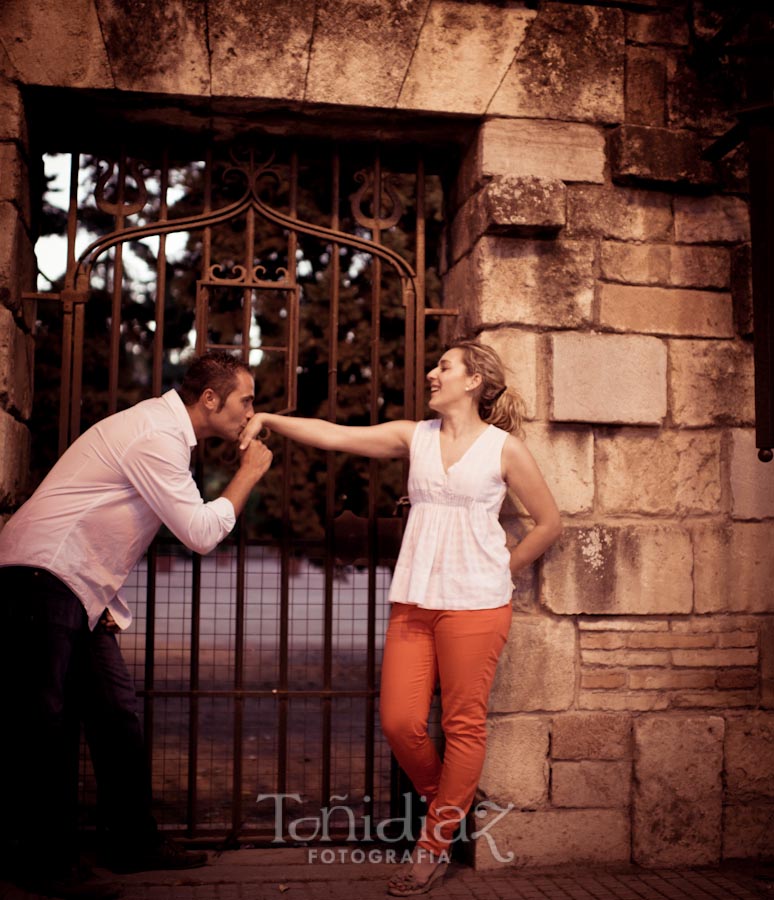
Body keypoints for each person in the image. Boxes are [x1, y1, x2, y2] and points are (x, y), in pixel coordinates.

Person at [238, 338, 562, 896]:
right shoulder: (416, 436)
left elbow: (549, 522)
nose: (432, 374)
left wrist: (502, 569)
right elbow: (335, 436)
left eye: (444, 367)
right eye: (435, 365)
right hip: (414, 599)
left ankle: (432, 847)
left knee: (463, 723)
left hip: (477, 603)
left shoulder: (504, 449)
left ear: (474, 382)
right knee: (400, 721)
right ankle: (449, 809)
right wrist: (270, 416)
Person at [0, 351, 272, 900]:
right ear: (212, 400)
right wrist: (248, 475)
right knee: (44, 730)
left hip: (77, 590)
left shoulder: (163, 432)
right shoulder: (156, 435)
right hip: (42, 578)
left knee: (115, 717)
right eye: (246, 400)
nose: (251, 412)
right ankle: (46, 869)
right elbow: (199, 531)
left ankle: (131, 844)